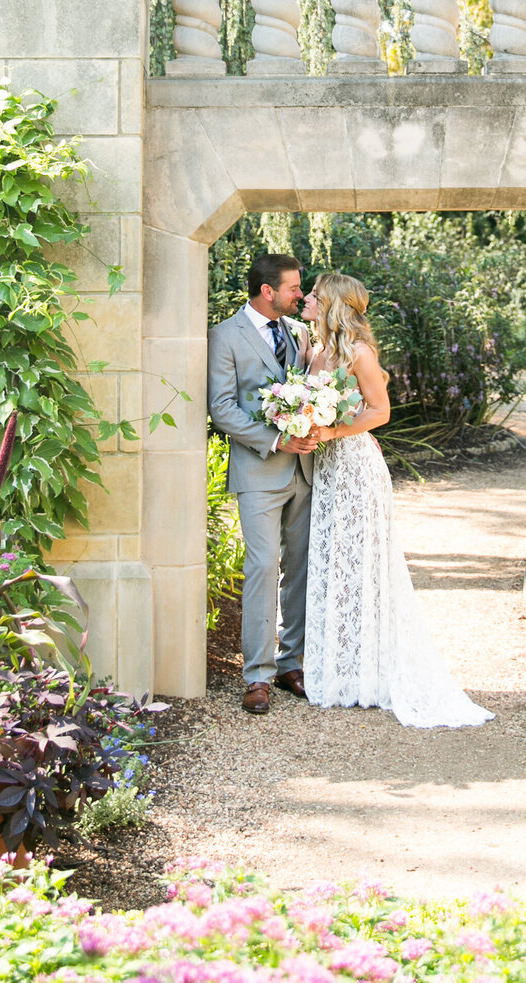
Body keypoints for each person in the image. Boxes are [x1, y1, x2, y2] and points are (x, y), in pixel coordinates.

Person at [301, 270, 495, 728]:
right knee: (334, 561)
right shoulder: (316, 351)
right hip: (326, 468)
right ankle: (338, 672)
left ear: (332, 302)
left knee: (363, 564)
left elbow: (380, 411)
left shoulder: (359, 352)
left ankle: (370, 676)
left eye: (313, 293)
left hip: (357, 468)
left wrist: (331, 429)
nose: (306, 297)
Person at [207, 253, 319, 714]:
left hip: (307, 472)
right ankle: (256, 674)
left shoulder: (300, 332)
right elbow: (222, 408)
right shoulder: (224, 336)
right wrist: (275, 440)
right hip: (258, 470)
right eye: (294, 287)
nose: (300, 294)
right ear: (268, 291)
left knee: (301, 568)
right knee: (261, 568)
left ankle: (292, 662)